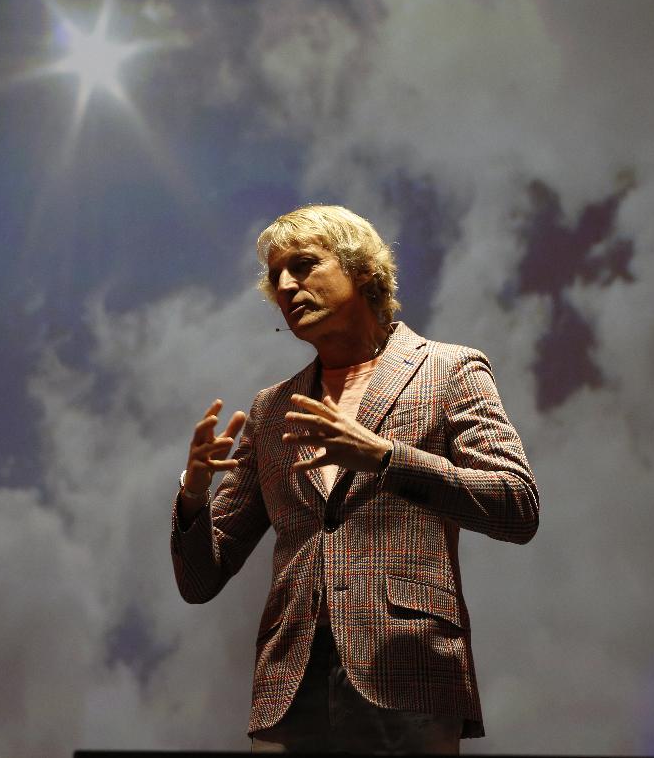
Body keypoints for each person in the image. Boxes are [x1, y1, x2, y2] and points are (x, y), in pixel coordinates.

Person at [170, 204, 538, 753]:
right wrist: (193, 494)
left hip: (409, 671)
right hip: (288, 692)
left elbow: (516, 505)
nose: (286, 286)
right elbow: (201, 580)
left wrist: (388, 458)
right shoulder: (271, 411)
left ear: (362, 269)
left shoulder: (448, 370)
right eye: (275, 277)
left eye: (302, 265)